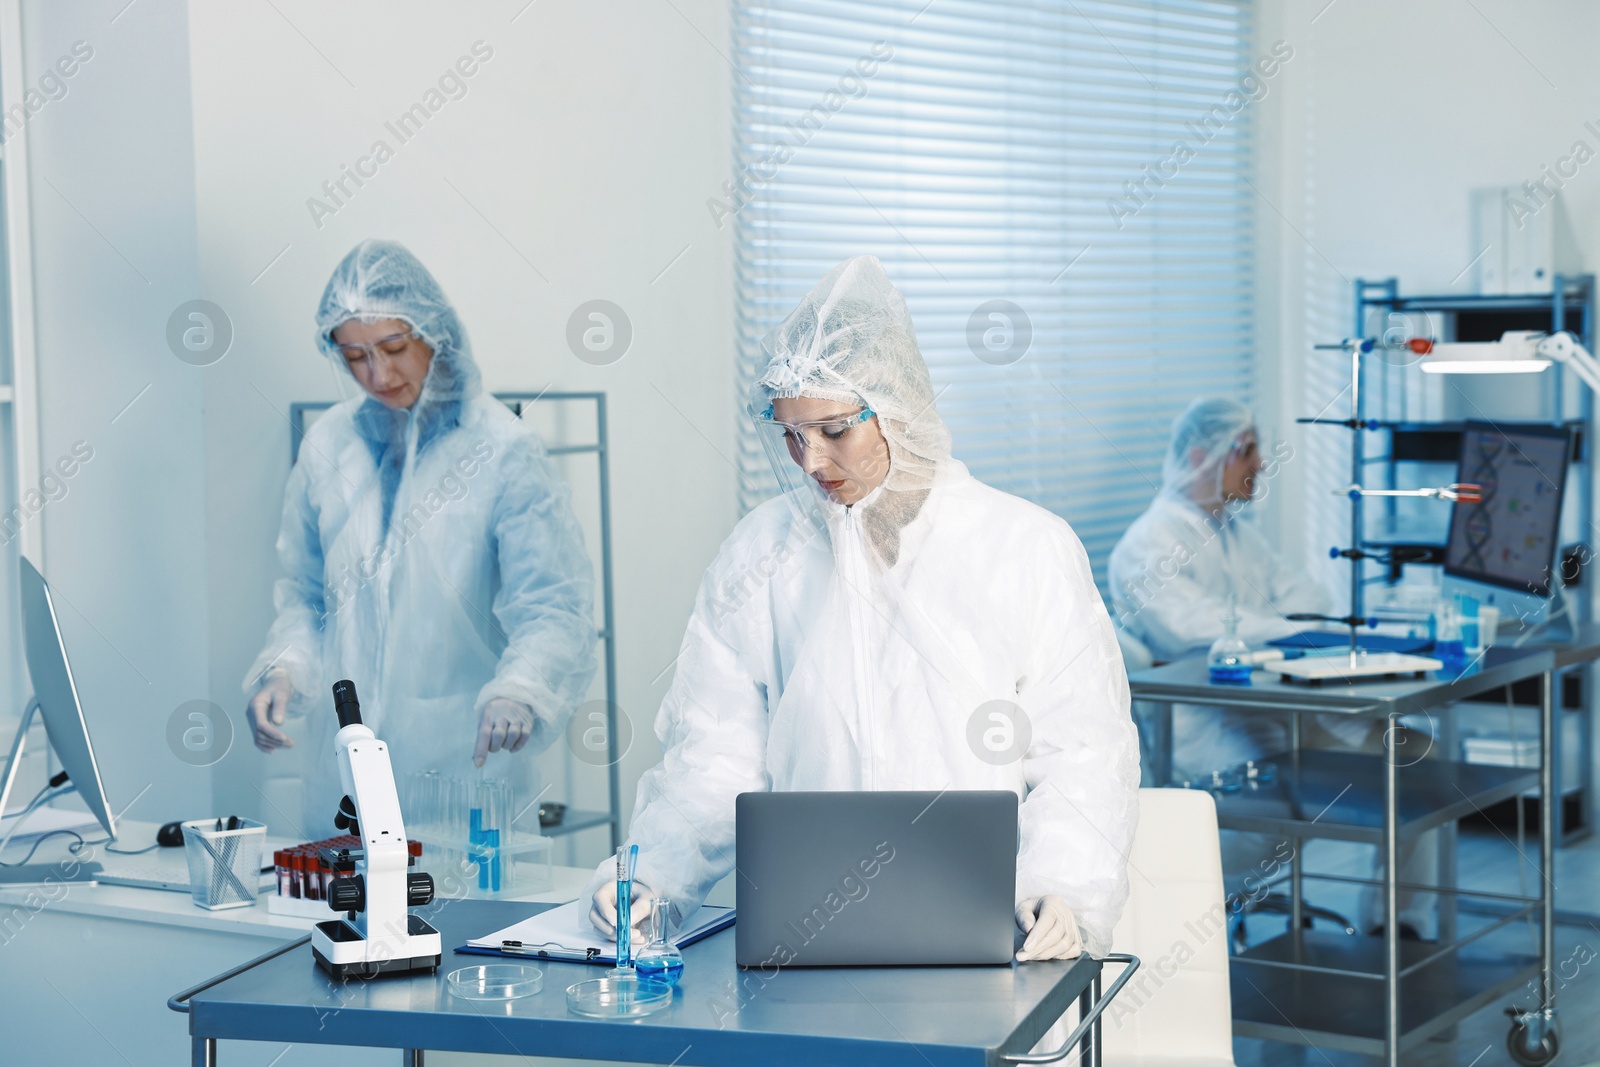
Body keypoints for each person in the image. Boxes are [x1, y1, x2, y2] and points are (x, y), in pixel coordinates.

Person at [586, 255, 1140, 962]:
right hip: (809, 938)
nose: (812, 461)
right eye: (792, 435)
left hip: (992, 938)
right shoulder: (762, 557)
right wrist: (653, 876)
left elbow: (1083, 749)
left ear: (898, 408)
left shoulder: (1022, 547)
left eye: (835, 429)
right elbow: (715, 755)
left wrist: (1061, 883)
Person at [243, 239, 597, 833]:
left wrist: (522, 687)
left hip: (461, 777)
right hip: (343, 783)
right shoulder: (328, 446)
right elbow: (306, 596)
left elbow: (555, 605)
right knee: (339, 924)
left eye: (393, 348)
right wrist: (283, 669)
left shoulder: (503, 452)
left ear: (436, 334)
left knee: (460, 924)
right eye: (354, 356)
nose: (377, 375)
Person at [1110, 397, 1435, 936]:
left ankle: (1399, 927)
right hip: (1220, 739)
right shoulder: (1151, 543)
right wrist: (1274, 626)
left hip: (1283, 720)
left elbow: (1305, 595)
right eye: (1247, 449)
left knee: (1418, 754)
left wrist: (1259, 627)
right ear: (1201, 454)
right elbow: (1191, 630)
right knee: (1394, 771)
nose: (1259, 464)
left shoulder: (1231, 532)